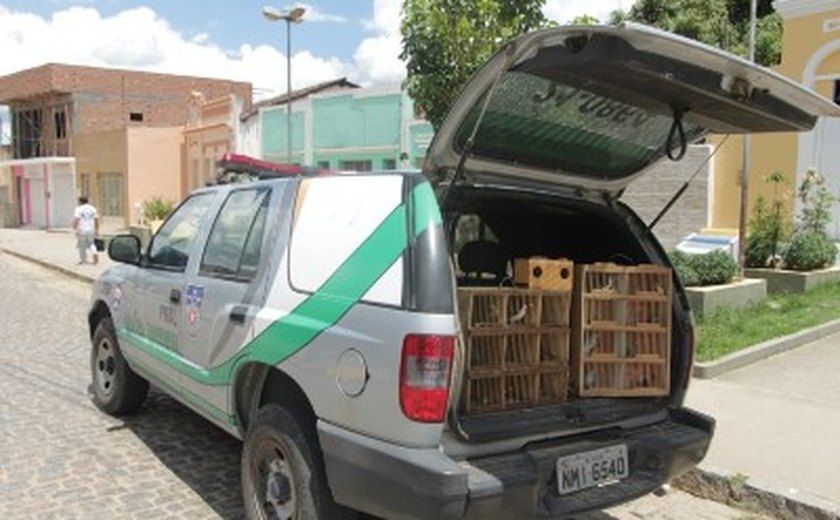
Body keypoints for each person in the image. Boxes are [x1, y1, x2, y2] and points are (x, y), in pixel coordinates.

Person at [72, 196, 99, 265]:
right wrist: (97, 230)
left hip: (81, 229)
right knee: (91, 243)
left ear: (80, 201)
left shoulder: (79, 209)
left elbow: (76, 219)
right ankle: (95, 253)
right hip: (91, 229)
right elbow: (96, 220)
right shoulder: (93, 209)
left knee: (81, 245)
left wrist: (74, 227)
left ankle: (83, 260)